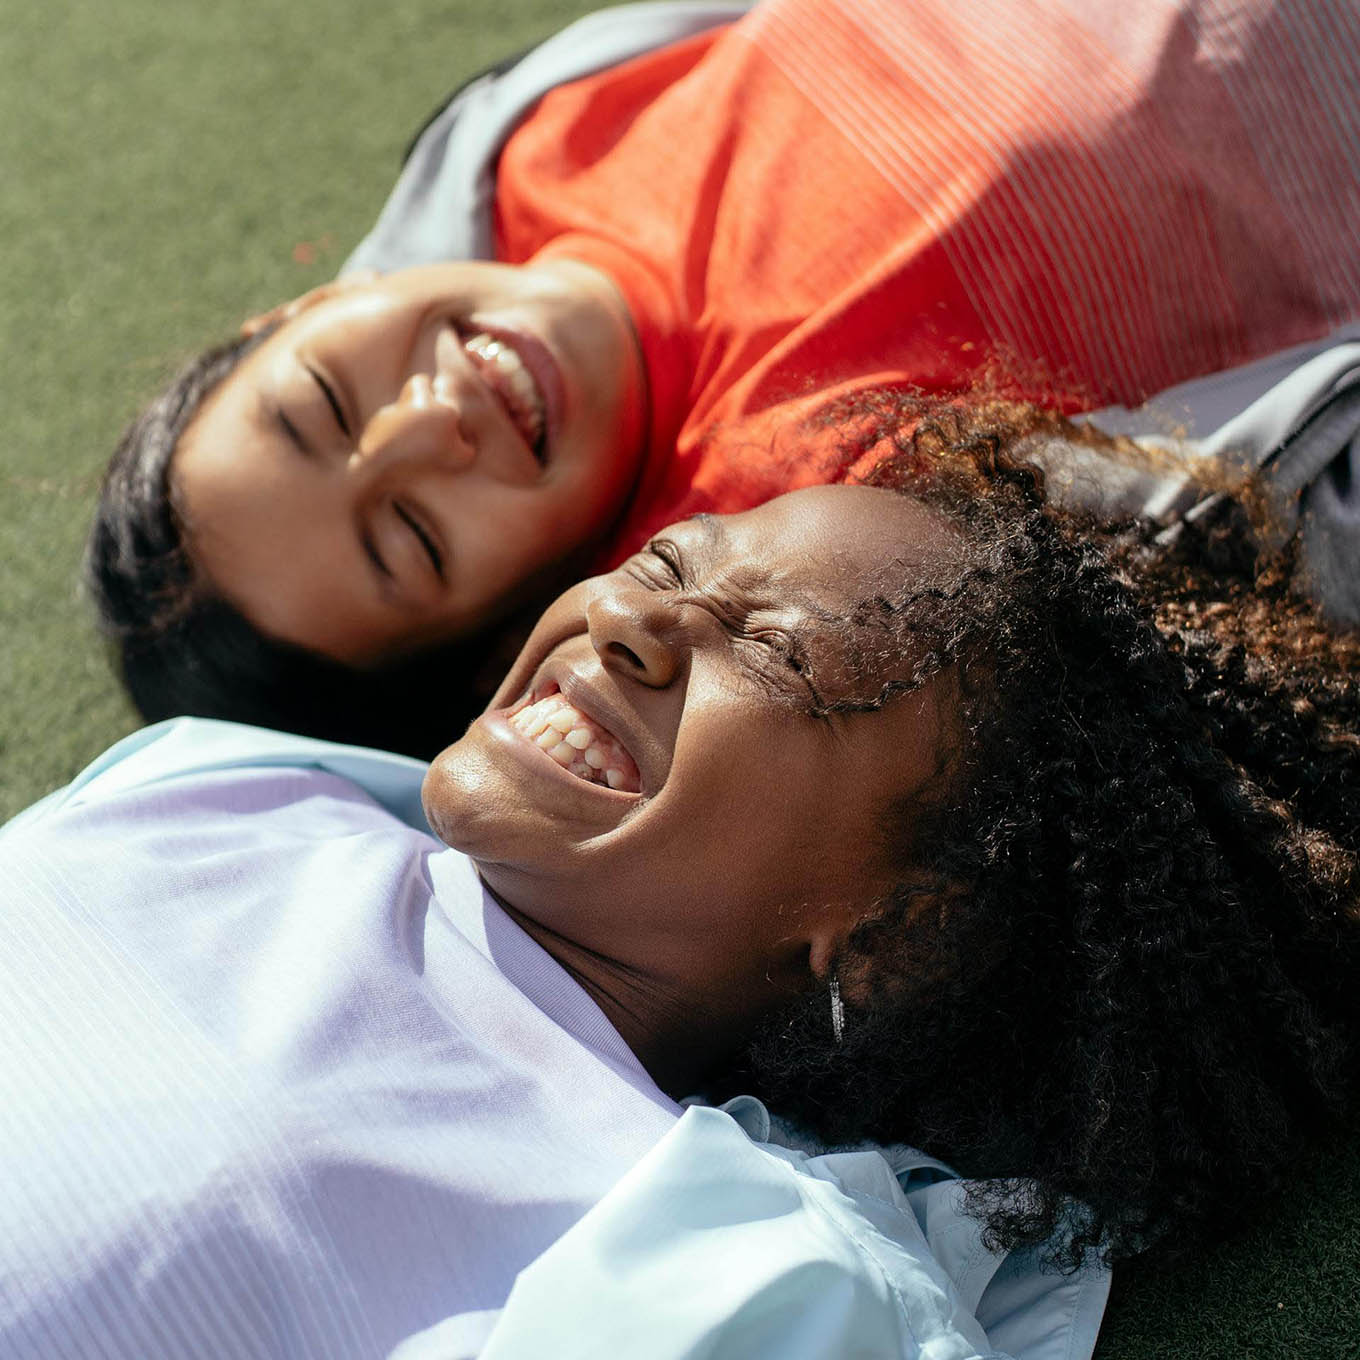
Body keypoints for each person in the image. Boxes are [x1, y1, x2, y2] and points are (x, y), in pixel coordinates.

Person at [10, 394, 1358, 1355]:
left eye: (766, 654)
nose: (634, 619)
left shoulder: (722, 1269)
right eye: (668, 558)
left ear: (900, 938)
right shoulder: (233, 782)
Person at [86, 0, 1360, 755]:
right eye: (414, 536)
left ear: (305, 307)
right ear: (494, 644)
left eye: (322, 400)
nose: (428, 424)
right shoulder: (787, 527)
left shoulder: (541, 133)